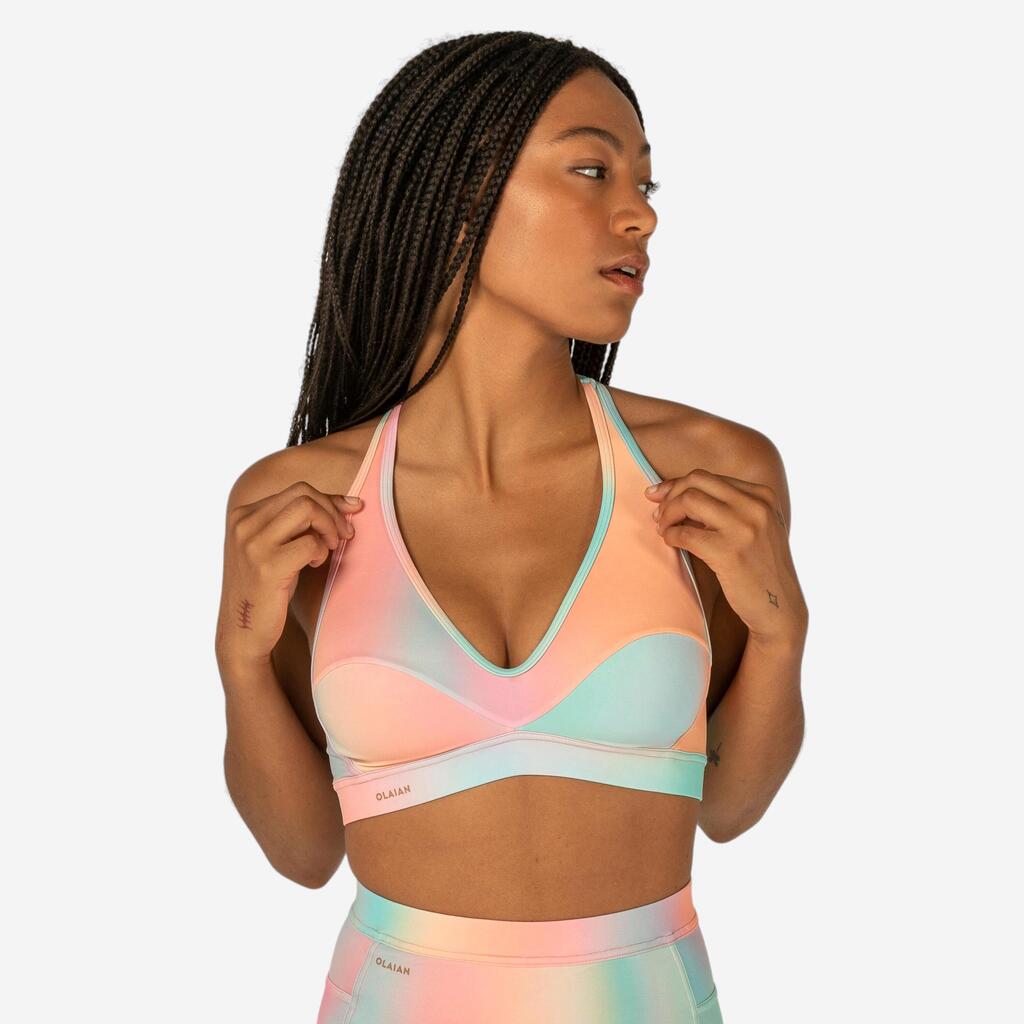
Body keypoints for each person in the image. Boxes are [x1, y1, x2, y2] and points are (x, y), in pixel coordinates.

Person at [216, 31, 808, 1023]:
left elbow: (730, 806)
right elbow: (303, 850)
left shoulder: (709, 472)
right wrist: (239, 660)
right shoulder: (300, 500)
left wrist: (783, 635)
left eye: (646, 183)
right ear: (459, 194)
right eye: (592, 170)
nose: (640, 214)